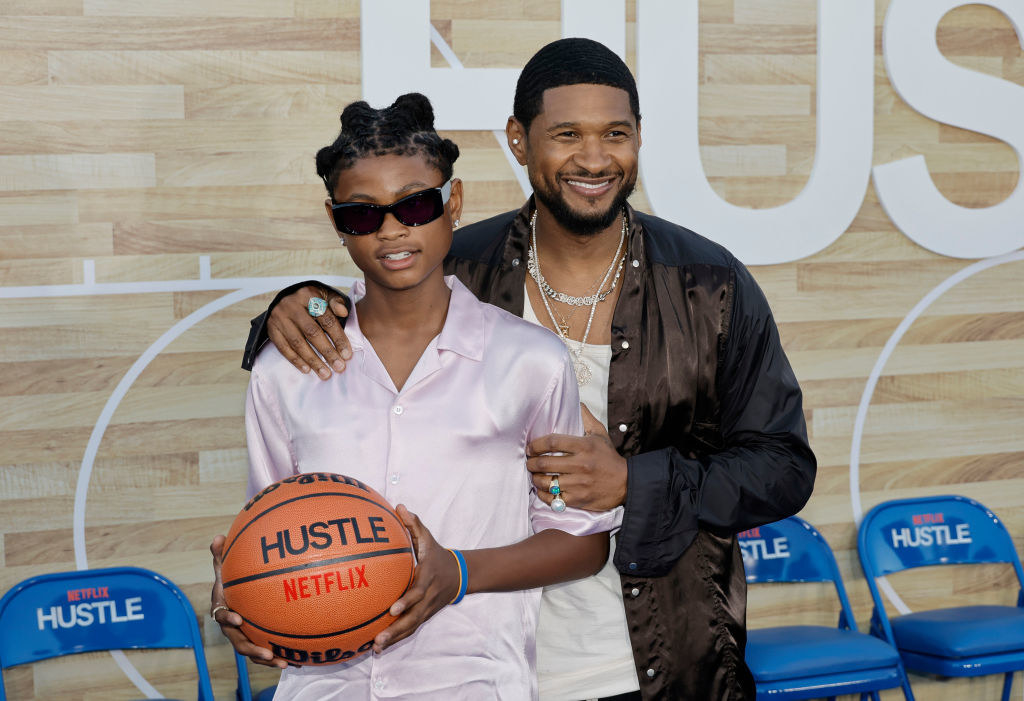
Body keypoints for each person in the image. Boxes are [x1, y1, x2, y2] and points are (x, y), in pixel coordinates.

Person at [242, 39, 816, 701]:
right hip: (475, 666)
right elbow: (371, 305)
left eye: (616, 134)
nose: (594, 158)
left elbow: (784, 467)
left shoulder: (709, 285)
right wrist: (290, 309)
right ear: (518, 139)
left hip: (655, 662)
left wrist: (635, 479)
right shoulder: (459, 265)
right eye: (567, 134)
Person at [210, 92, 619, 700]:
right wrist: (239, 593)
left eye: (417, 204)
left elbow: (582, 541)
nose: (392, 231)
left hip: (475, 682)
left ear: (452, 202)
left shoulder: (529, 362)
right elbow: (270, 530)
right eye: (361, 214)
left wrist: (455, 573)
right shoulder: (286, 368)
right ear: (334, 219)